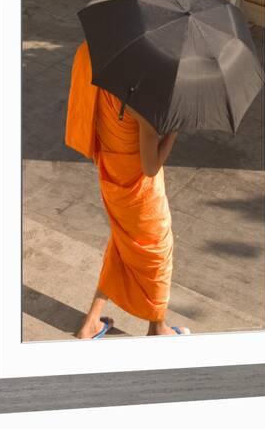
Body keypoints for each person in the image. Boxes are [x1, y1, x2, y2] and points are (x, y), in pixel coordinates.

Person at [65, 39, 190, 339]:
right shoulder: (140, 105)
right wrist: (172, 131)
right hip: (139, 190)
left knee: (122, 245)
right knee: (157, 252)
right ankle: (158, 329)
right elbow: (150, 167)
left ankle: (91, 323)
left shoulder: (94, 60)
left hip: (110, 174)